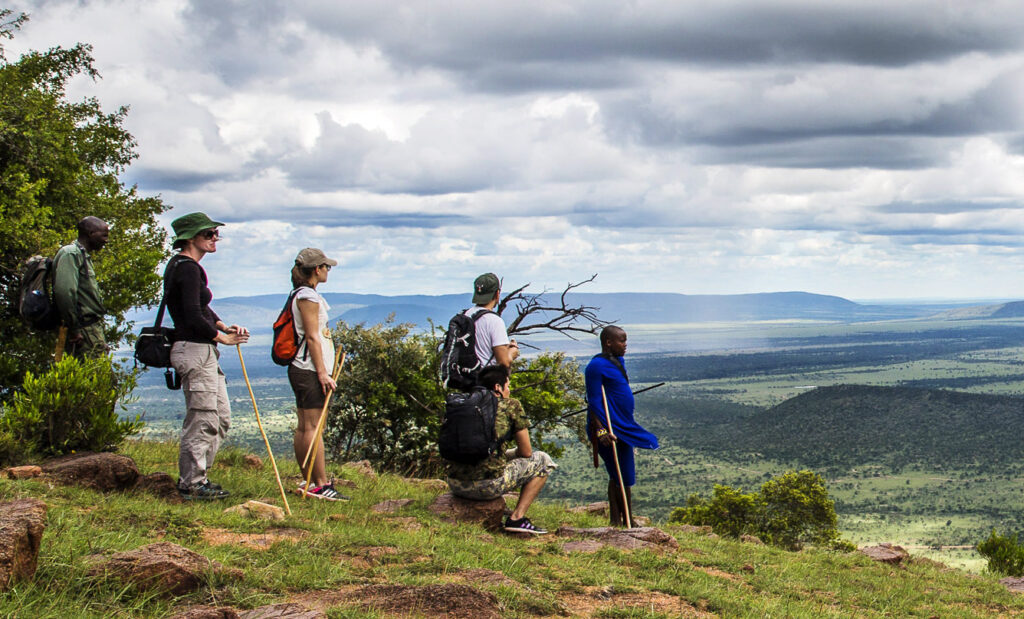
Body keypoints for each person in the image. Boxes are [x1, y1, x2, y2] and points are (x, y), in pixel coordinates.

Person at [164, 212, 249, 501]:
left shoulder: (186, 267)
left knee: (220, 417)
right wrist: (221, 337)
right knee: (203, 418)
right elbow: (190, 314)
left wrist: (223, 325)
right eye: (208, 234)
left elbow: (200, 307)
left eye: (215, 234)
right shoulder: (187, 268)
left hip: (201, 350)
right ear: (190, 238)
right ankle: (191, 483)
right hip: (194, 349)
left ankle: (200, 477)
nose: (215, 239)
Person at [445, 364, 556, 534]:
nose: (509, 390)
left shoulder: (464, 403)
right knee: (543, 460)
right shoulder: (510, 405)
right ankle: (517, 518)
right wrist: (513, 454)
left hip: (455, 484)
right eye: (508, 385)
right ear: (498, 387)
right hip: (487, 487)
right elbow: (526, 452)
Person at [287, 247, 348, 501]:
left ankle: (310, 480)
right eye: (326, 267)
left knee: (305, 426)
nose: (328, 271)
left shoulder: (302, 294)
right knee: (313, 427)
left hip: (302, 368)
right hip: (310, 369)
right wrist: (323, 372)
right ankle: (321, 484)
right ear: (316, 270)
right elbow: (312, 336)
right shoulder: (308, 297)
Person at [585, 326, 659, 527]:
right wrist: (601, 431)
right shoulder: (595, 366)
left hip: (623, 425)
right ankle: (623, 520)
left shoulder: (617, 361)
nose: (625, 345)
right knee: (618, 471)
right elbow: (593, 401)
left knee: (621, 473)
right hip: (608, 427)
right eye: (622, 341)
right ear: (608, 342)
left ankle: (621, 519)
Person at [52, 216, 110, 357]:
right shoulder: (71, 253)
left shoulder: (82, 255)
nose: (106, 240)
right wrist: (74, 329)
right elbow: (65, 292)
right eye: (104, 235)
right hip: (83, 331)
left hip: (88, 329)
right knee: (101, 377)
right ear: (91, 234)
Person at [465, 272, 519, 368]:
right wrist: (513, 352)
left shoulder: (465, 315)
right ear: (497, 294)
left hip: (463, 380)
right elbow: (504, 362)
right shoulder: (494, 321)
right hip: (483, 380)